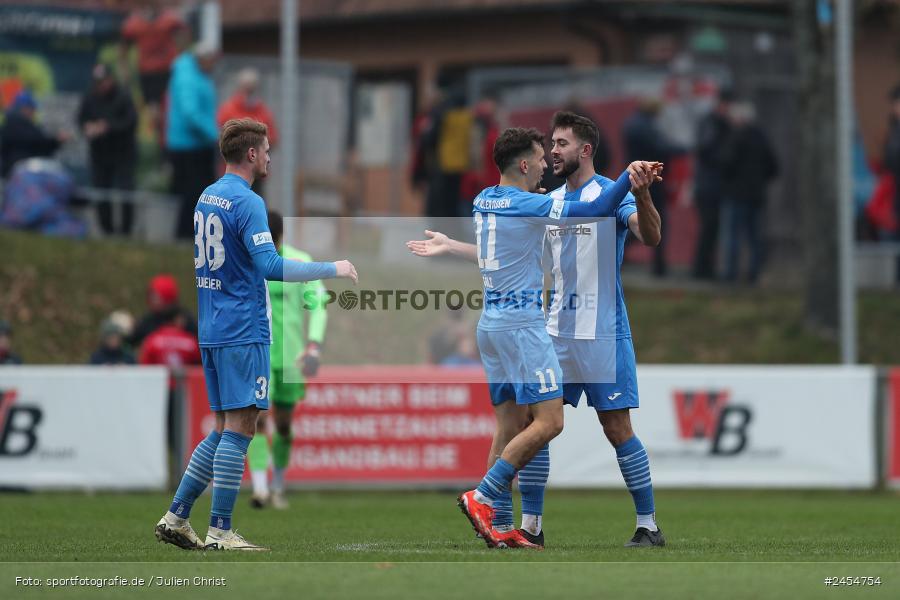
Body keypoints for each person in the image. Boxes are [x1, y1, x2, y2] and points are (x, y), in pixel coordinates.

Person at [408, 111, 666, 548]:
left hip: (603, 329)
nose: (551, 152)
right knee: (536, 422)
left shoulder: (602, 193)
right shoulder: (545, 200)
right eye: (547, 145)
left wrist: (641, 195)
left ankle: (648, 524)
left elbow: (651, 236)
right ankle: (528, 525)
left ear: (584, 149)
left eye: (561, 143)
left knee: (616, 428)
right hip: (550, 328)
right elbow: (508, 249)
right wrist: (454, 246)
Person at [154, 118, 357, 552]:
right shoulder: (247, 202)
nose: (268, 157)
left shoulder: (207, 197)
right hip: (242, 328)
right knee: (243, 428)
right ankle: (221, 531)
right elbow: (271, 266)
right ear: (251, 154)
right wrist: (331, 268)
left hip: (211, 326)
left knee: (224, 428)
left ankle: (176, 517)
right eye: (266, 150)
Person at [246, 209, 329, 510]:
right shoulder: (250, 262)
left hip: (291, 359)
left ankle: (277, 484)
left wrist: (314, 346)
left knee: (282, 426)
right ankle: (259, 489)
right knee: (255, 420)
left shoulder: (299, 262)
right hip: (259, 354)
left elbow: (318, 306)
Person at [622, 98, 683, 277]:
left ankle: (618, 253)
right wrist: (683, 149)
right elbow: (660, 146)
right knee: (652, 222)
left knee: (637, 220)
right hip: (648, 180)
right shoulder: (644, 127)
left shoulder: (633, 124)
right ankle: (659, 266)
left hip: (637, 177)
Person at [77, 64, 138, 235]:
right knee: (101, 190)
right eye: (98, 82)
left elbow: (130, 122)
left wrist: (108, 127)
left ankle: (126, 231)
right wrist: (87, 127)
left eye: (103, 81)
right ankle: (107, 230)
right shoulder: (90, 97)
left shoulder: (123, 96)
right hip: (99, 153)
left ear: (111, 79)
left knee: (126, 190)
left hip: (122, 153)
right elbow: (81, 119)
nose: (101, 85)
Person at [721, 102, 778, 283]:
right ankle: (753, 273)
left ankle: (731, 274)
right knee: (754, 236)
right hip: (756, 194)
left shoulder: (736, 138)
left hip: (737, 193)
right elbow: (774, 167)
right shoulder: (761, 138)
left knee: (733, 235)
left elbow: (726, 163)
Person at [167, 43, 219, 240]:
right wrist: (216, 134)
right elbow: (191, 113)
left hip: (197, 144)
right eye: (211, 61)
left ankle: (194, 235)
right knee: (194, 193)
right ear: (202, 59)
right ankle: (185, 236)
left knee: (199, 193)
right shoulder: (188, 78)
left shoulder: (195, 75)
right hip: (189, 146)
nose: (213, 66)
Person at [692, 89, 734, 280]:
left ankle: (703, 267)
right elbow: (706, 149)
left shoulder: (712, 123)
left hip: (709, 184)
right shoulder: (713, 124)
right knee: (710, 227)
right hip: (709, 185)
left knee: (711, 228)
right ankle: (701, 268)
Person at [217, 69, 279, 197]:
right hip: (233, 172)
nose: (249, 93)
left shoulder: (262, 111)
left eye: (252, 89)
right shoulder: (228, 110)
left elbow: (273, 138)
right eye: (247, 89)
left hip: (255, 174)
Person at [0, 91, 68, 179]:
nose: (33, 112)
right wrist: (56, 141)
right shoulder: (17, 124)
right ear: (25, 108)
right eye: (32, 109)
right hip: (20, 175)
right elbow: (37, 143)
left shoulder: (15, 123)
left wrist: (56, 141)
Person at [130, 274, 197, 348]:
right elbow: (132, 340)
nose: (151, 300)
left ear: (167, 298)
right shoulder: (148, 320)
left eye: (155, 297)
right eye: (151, 296)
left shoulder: (185, 319)